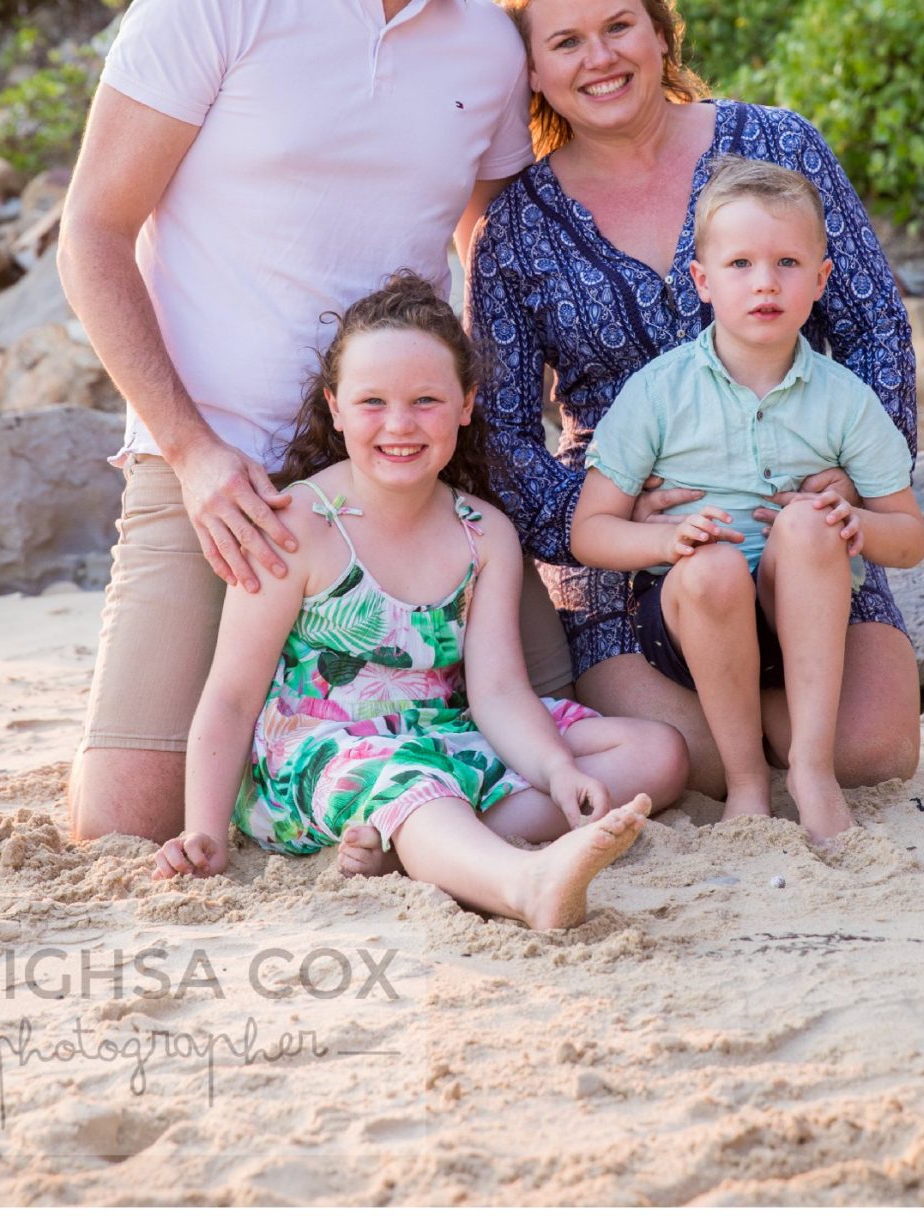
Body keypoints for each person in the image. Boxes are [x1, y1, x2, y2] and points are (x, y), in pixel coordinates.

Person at [60, 0, 540, 847]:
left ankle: (338, 761)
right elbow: (91, 230)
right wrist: (189, 453)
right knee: (123, 825)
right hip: (216, 478)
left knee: (564, 741)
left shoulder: (487, 44)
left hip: (400, 478)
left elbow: (497, 251)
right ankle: (286, 741)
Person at [465, 0, 922, 803]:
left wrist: (854, 480)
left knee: (877, 751)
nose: (599, 58)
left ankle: (795, 723)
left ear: (660, 31)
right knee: (687, 764)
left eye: (619, 26)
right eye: (565, 41)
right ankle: (759, 742)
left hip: (798, 518)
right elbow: (503, 433)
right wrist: (616, 519)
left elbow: (873, 328)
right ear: (532, 71)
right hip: (633, 557)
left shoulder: (780, 147)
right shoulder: (516, 227)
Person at [151, 274, 679, 928]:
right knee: (414, 781)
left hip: (442, 730)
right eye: (372, 401)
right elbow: (231, 696)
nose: (399, 425)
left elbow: (499, 692)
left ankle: (416, 848)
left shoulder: (483, 533)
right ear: (335, 407)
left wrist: (554, 768)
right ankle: (521, 884)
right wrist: (202, 830)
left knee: (655, 754)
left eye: (425, 400)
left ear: (465, 404)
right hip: (323, 756)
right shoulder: (295, 525)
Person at [570, 157, 924, 841]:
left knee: (809, 525)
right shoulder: (657, 392)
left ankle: (811, 770)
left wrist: (855, 523)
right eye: (740, 264)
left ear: (821, 281)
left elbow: (910, 538)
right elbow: (591, 530)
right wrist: (661, 542)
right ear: (701, 282)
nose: (765, 282)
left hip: (809, 620)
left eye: (788, 262)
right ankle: (746, 782)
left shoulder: (843, 398)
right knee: (708, 564)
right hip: (693, 620)